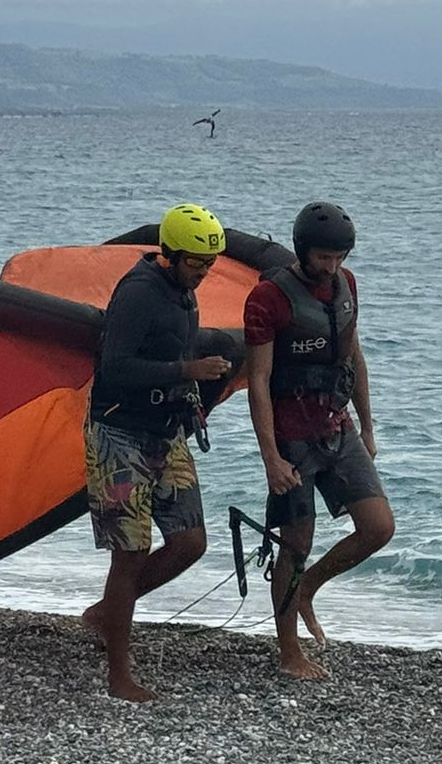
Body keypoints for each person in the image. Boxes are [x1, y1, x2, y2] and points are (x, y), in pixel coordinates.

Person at [82, 203, 234, 702]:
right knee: (130, 555)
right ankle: (119, 677)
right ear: (171, 253)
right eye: (196, 262)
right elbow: (115, 367)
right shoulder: (139, 292)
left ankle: (106, 614)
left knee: (190, 542)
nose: (204, 271)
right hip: (119, 434)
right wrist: (187, 371)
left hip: (166, 431)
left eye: (210, 263)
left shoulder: (183, 291)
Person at [244, 200, 394, 681]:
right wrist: (270, 458)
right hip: (291, 434)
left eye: (340, 257)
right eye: (324, 257)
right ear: (302, 249)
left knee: (378, 527)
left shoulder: (345, 285)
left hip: (337, 424)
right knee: (296, 542)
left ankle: (307, 588)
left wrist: (367, 426)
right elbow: (258, 381)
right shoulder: (268, 298)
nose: (332, 266)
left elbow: (354, 356)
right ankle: (289, 652)